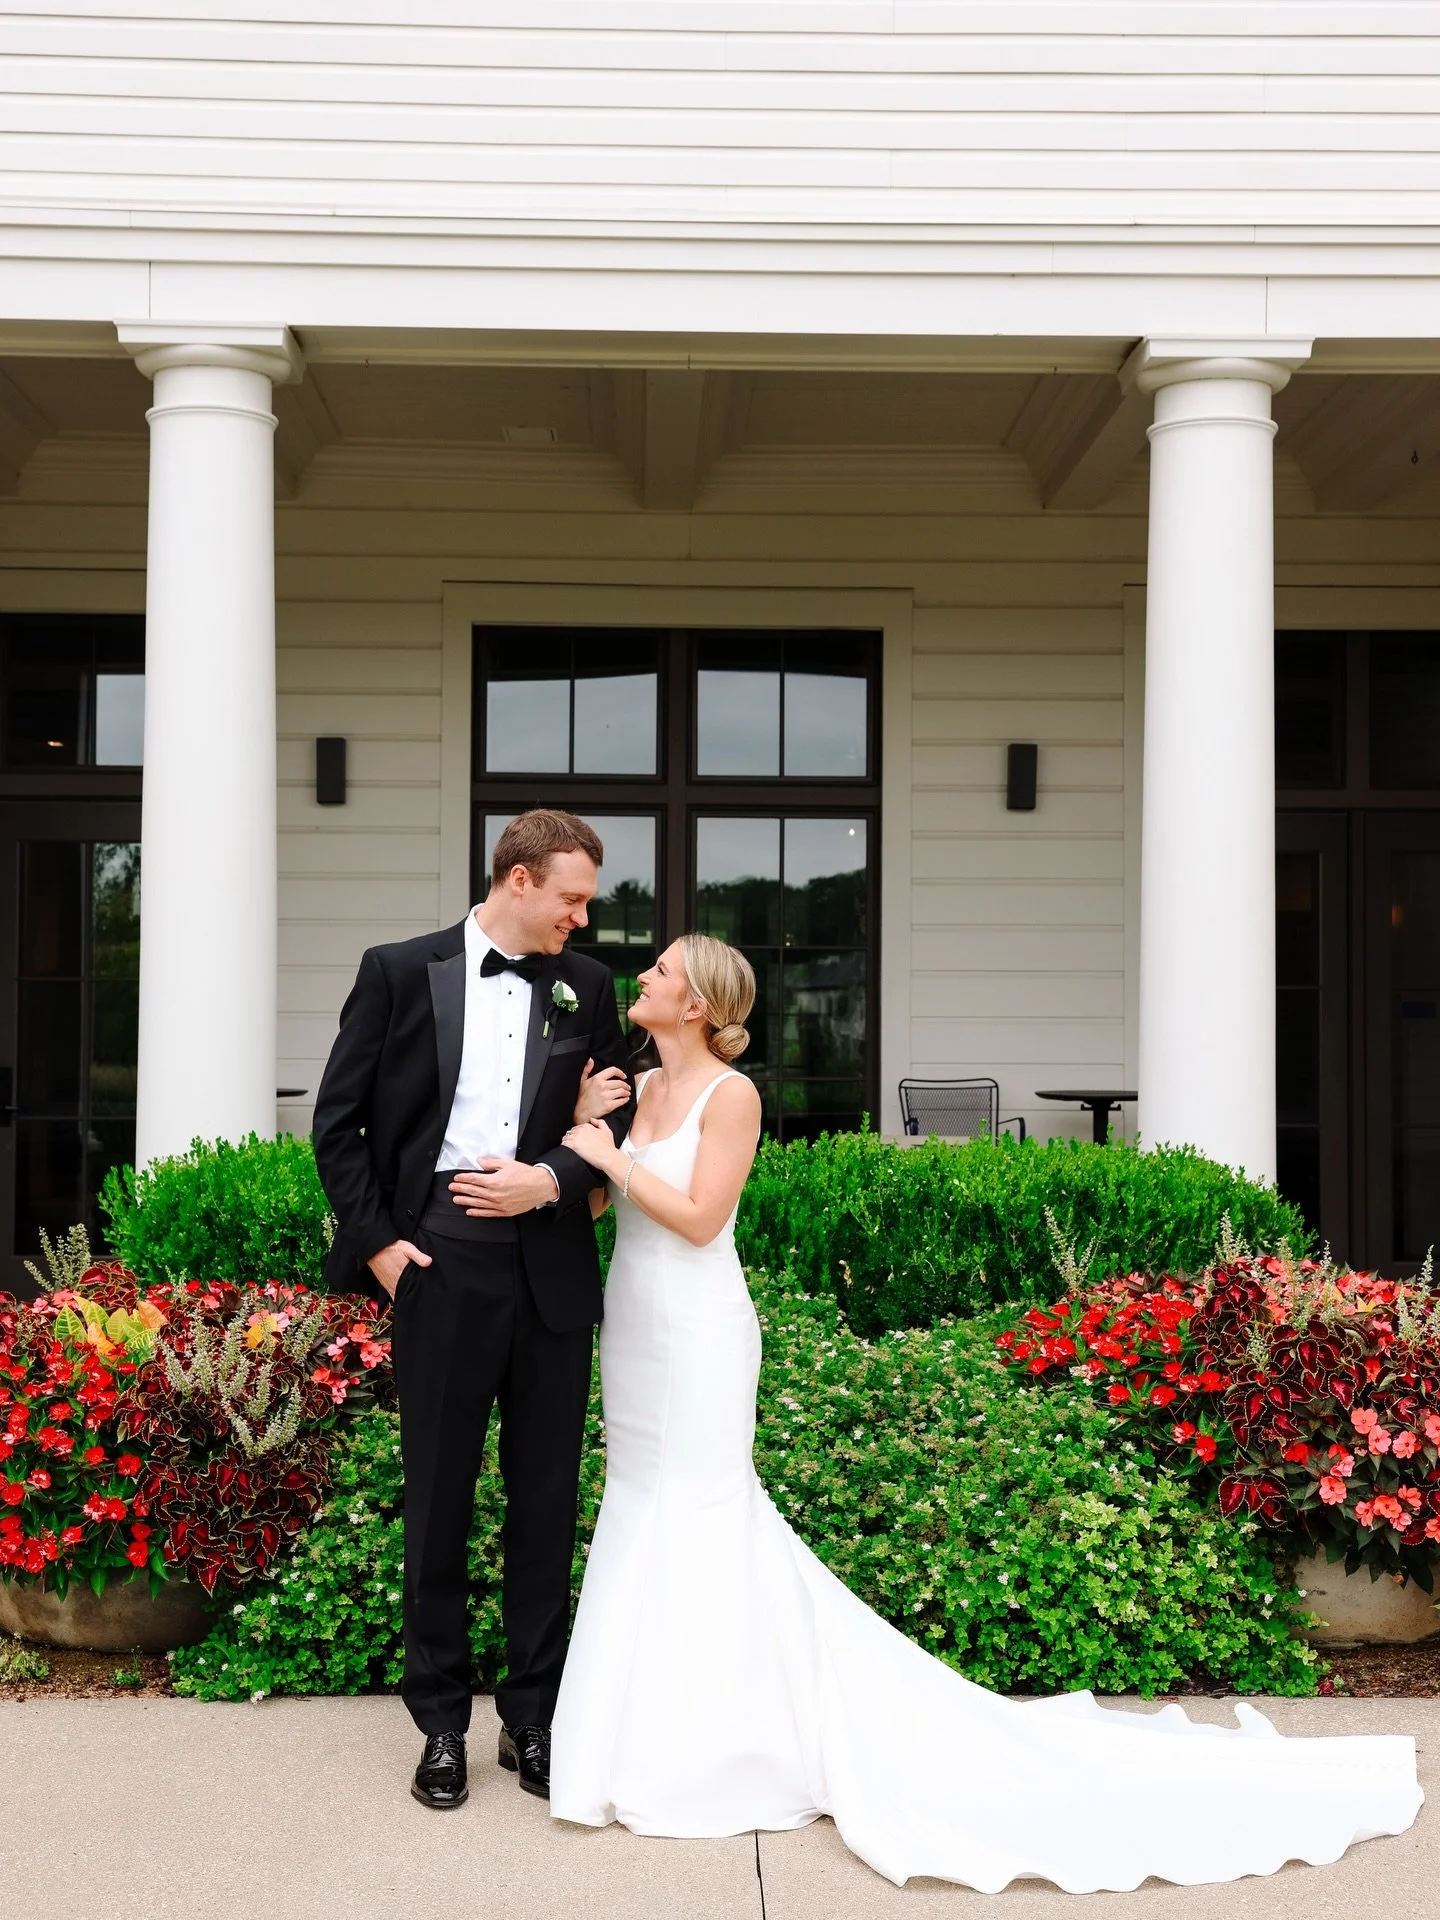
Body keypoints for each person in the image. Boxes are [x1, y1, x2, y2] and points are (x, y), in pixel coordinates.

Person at [546, 932, 1424, 1893]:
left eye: (662, 971)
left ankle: (712, 1750)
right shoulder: (637, 1086)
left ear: (698, 1004)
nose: (643, 977)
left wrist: (611, 1159)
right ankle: (644, 1733)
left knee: (701, 1507)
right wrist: (589, 1133)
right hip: (633, 1322)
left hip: (699, 1330)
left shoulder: (731, 1096)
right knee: (641, 1500)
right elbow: (603, 1209)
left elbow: (702, 1217)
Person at [311, 808, 635, 1813]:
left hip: (549, 1268)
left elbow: (618, 1112)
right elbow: (338, 1124)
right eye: (572, 898)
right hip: (439, 1266)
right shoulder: (399, 971)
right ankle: (441, 1725)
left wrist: (553, 1176)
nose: (582, 919)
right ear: (519, 879)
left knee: (545, 1504)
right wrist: (381, 1249)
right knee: (440, 1501)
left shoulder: (589, 987)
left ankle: (531, 1719)